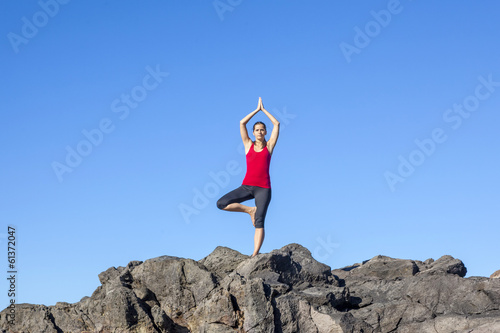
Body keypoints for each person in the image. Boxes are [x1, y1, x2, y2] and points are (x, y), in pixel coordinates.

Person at [216, 97, 280, 257]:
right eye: (257, 130)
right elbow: (241, 123)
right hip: (246, 186)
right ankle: (249, 210)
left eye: (262, 129)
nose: (259, 132)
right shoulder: (248, 145)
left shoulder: (269, 146)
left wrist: (264, 110)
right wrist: (256, 110)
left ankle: (255, 254)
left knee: (260, 222)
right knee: (221, 203)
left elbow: (277, 124)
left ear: (265, 132)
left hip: (263, 189)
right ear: (253, 132)